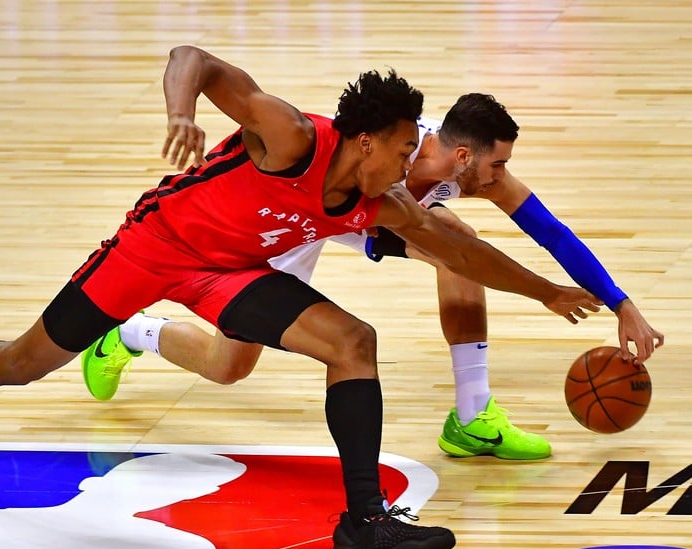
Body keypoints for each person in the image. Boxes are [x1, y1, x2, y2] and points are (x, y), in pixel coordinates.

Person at [0, 46, 602, 549]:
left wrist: (545, 292)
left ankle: (366, 523)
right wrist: (181, 112)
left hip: (231, 271)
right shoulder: (290, 137)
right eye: (406, 150)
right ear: (366, 141)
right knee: (21, 365)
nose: (413, 167)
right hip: (152, 251)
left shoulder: (381, 197)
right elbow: (196, 60)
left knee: (352, 341)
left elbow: (461, 252)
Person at [83, 93, 665, 461]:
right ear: (463, 157)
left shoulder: (466, 168)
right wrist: (543, 292)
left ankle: (471, 415)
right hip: (308, 214)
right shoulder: (398, 151)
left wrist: (621, 303)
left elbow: (553, 233)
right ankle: (131, 333)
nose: (504, 177)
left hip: (379, 217)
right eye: (498, 165)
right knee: (226, 367)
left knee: (458, 245)